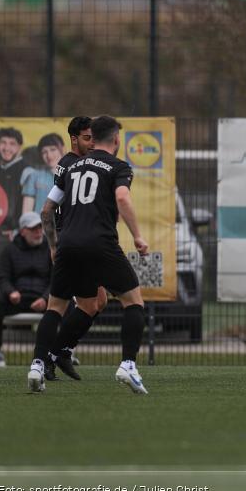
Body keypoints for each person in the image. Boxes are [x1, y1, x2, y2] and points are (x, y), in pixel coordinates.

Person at [28, 115, 149, 394]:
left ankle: (38, 363)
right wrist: (138, 236)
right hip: (100, 243)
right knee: (133, 302)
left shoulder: (70, 166)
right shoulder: (118, 166)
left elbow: (47, 209)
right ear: (116, 139)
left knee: (56, 307)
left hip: (68, 244)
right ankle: (128, 364)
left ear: (92, 138)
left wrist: (54, 246)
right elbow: (122, 197)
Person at [39, 117, 106, 381]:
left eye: (94, 138)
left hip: (81, 244)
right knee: (59, 305)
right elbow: (48, 210)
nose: (92, 143)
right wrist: (53, 246)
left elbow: (49, 210)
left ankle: (57, 353)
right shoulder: (70, 164)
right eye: (87, 138)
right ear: (74, 139)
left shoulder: (77, 163)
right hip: (75, 246)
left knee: (96, 302)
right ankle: (50, 356)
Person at [0, 212, 50, 367]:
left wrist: (46, 298)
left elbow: (57, 279)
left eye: (40, 227)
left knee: (68, 304)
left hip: (44, 300)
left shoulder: (50, 249)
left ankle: (65, 353)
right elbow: (2, 278)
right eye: (33, 228)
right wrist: (10, 292)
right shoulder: (10, 250)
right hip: (18, 298)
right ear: (22, 231)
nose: (38, 231)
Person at [0, 127, 28, 237]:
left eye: (12, 144)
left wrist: (17, 230)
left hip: (16, 233)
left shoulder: (26, 170)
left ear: (19, 147)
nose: (7, 148)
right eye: (3, 142)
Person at [22, 133, 66, 214]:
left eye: (53, 149)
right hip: (40, 225)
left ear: (63, 149)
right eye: (44, 152)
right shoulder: (34, 176)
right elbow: (26, 213)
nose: (49, 155)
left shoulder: (75, 174)